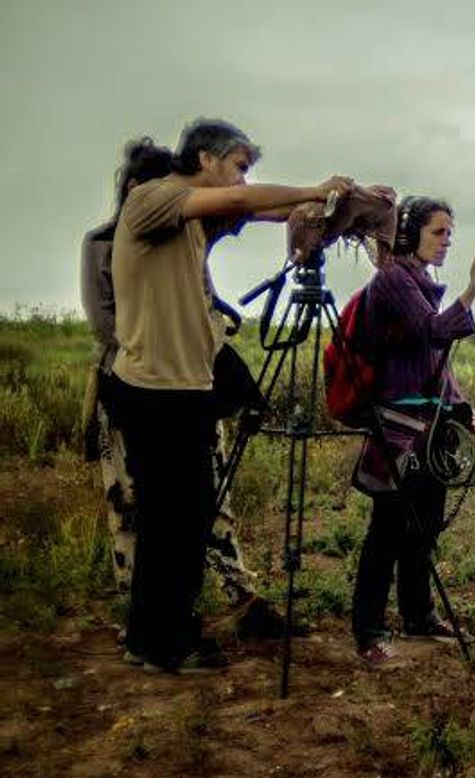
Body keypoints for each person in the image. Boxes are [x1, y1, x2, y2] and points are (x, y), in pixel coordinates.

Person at [106, 117, 354, 674]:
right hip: (154, 392)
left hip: (184, 391)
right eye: (239, 167)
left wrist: (334, 207)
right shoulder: (154, 197)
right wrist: (316, 188)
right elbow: (249, 200)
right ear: (205, 161)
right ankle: (167, 642)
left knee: (181, 521)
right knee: (176, 522)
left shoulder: (192, 219)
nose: (244, 180)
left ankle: (153, 639)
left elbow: (257, 208)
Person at [81, 138, 272, 630]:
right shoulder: (119, 229)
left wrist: (322, 207)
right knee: (145, 511)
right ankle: (154, 627)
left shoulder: (187, 234)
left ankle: (165, 625)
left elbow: (243, 215)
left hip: (186, 383)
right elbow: (107, 324)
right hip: (144, 381)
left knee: (190, 512)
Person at [350, 195, 475, 666]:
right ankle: (368, 631)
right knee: (387, 530)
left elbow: (434, 363)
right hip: (398, 429)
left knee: (424, 527)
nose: (446, 241)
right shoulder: (392, 280)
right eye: (438, 232)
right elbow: (434, 332)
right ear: (410, 234)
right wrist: (473, 288)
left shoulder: (422, 282)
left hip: (432, 429)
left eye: (450, 233)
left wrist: (461, 408)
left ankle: (418, 615)